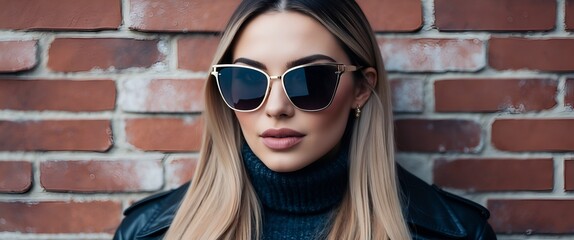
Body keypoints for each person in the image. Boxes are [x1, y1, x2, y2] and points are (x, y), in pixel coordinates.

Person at [114, 0, 496, 239]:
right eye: (247, 81)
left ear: (361, 89)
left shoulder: (457, 233)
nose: (276, 106)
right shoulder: (149, 232)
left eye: (309, 80)